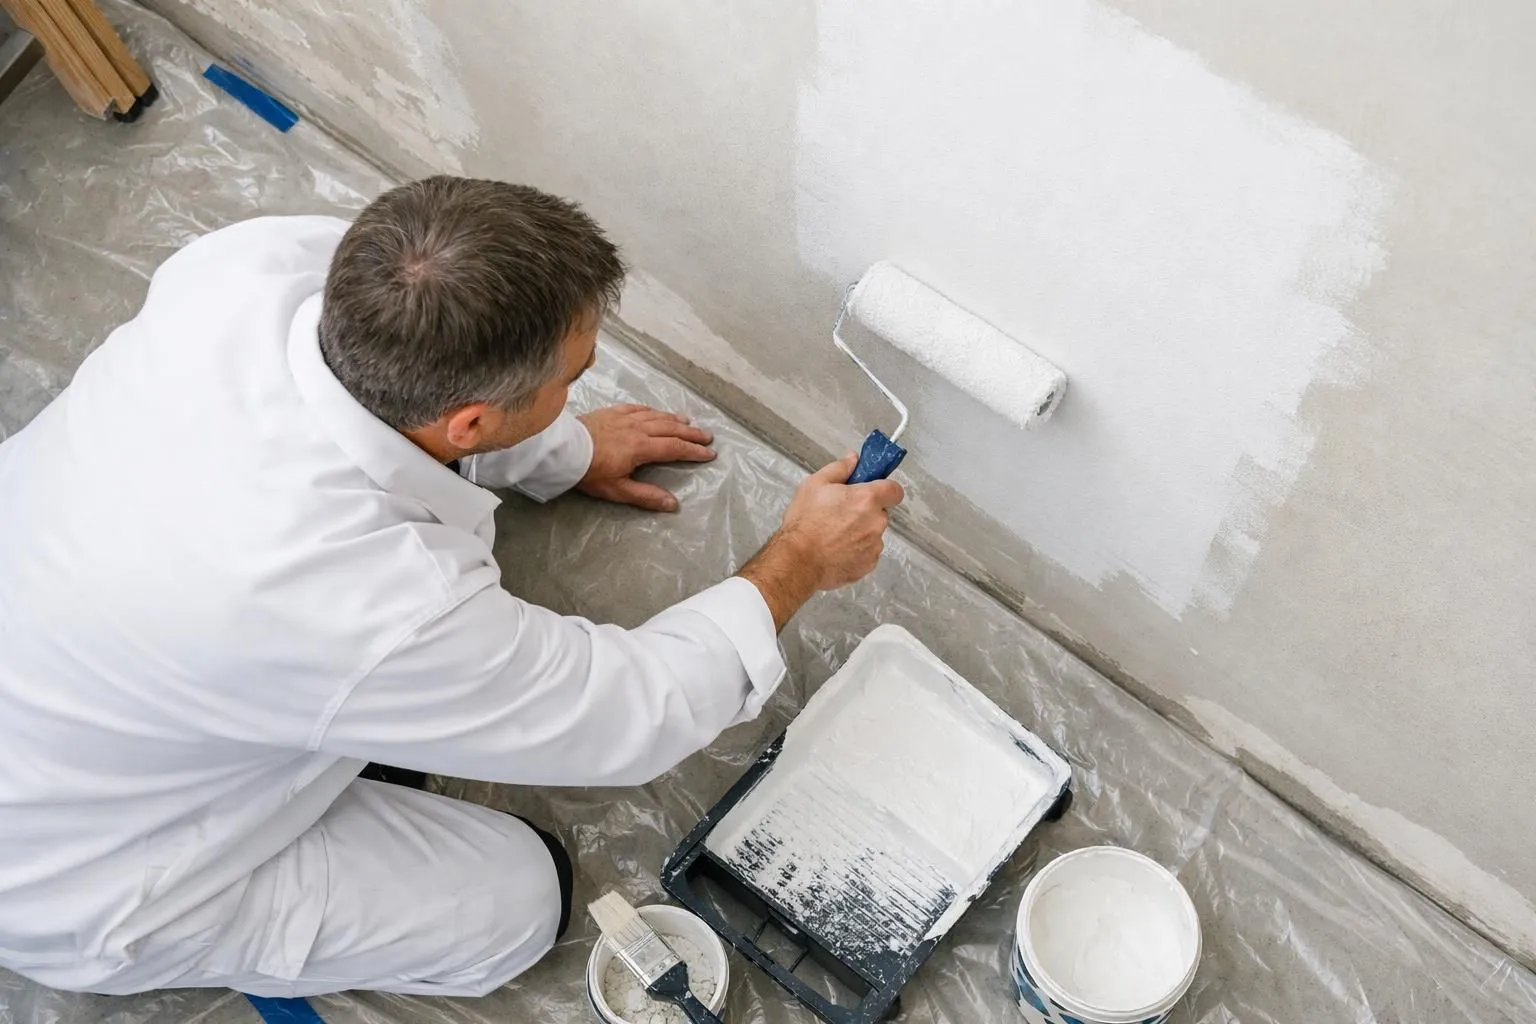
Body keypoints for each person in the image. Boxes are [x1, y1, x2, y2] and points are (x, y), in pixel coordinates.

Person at [0, 177, 903, 997]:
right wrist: (799, 561)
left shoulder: (270, 266)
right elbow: (631, 712)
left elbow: (425, 400)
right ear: (473, 419)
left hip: (75, 646)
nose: (577, 387)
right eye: (571, 379)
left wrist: (567, 445)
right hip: (75, 865)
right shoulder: (361, 601)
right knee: (520, 896)